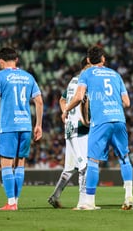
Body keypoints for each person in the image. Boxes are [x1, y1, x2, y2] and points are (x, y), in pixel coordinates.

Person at [62, 45, 133, 210]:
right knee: (124, 158)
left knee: (93, 161)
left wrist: (66, 109)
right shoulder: (116, 74)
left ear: (88, 60)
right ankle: (129, 196)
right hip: (119, 119)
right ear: (103, 59)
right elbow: (127, 103)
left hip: (101, 121)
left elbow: (79, 96)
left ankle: (89, 201)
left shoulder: (86, 73)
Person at [0, 47, 43, 211]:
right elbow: (39, 101)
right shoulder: (28, 76)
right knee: (20, 164)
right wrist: (38, 124)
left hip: (9, 126)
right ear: (16, 59)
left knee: (6, 164)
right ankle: (15, 202)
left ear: (0, 61)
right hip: (26, 126)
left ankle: (11, 203)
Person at [48, 57, 91, 209]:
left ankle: (55, 196)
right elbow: (82, 101)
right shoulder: (86, 82)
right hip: (80, 129)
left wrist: (65, 112)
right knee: (84, 166)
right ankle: (83, 202)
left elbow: (62, 99)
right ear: (86, 66)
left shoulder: (73, 80)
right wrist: (86, 121)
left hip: (70, 128)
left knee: (70, 168)